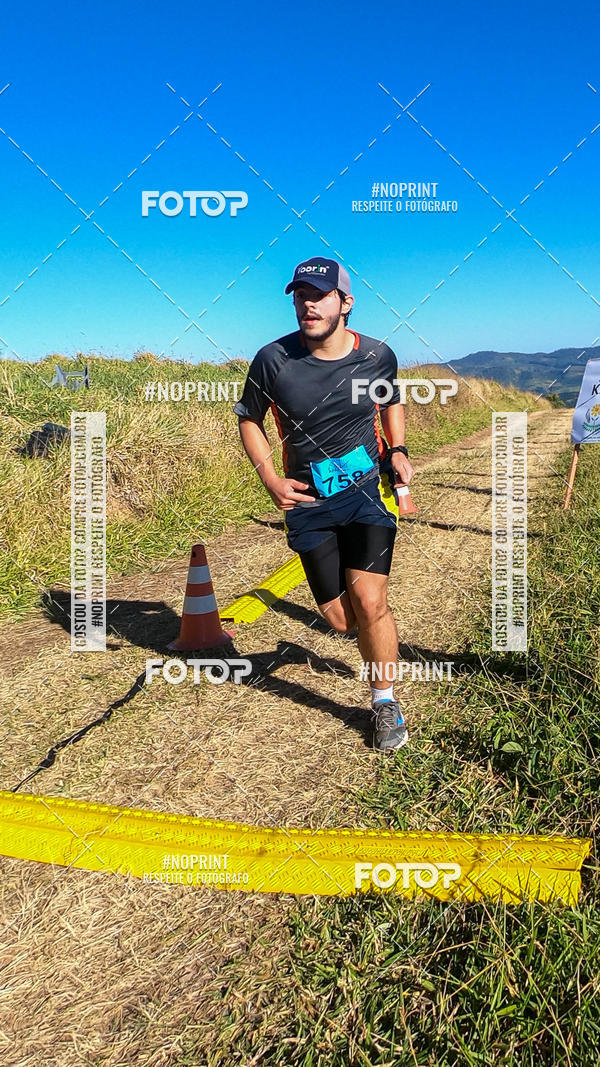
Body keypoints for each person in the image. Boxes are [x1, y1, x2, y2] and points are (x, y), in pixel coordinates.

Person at [233, 257, 414, 752]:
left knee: (371, 601)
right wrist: (269, 476)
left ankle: (384, 702)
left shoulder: (377, 356)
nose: (308, 304)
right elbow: (249, 418)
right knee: (340, 618)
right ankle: (367, 637)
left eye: (319, 295)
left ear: (345, 302)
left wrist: (396, 450)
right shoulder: (273, 360)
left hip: (367, 497)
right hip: (309, 502)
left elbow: (391, 399)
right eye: (300, 295)